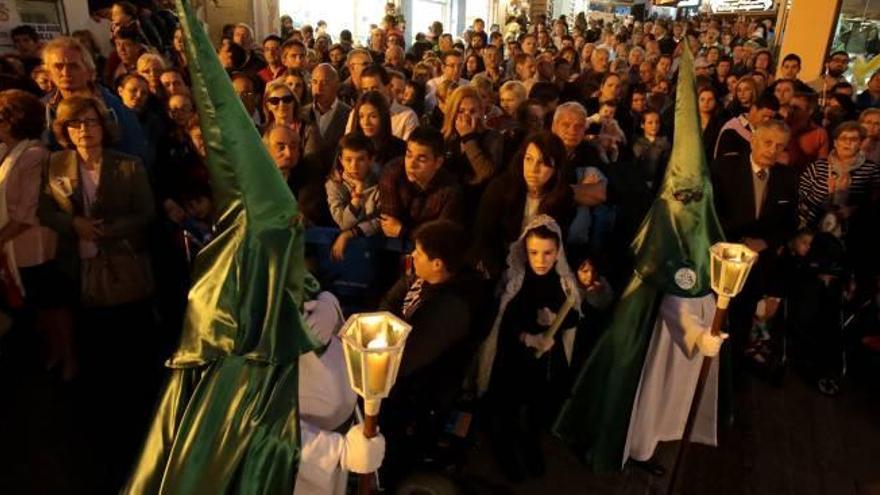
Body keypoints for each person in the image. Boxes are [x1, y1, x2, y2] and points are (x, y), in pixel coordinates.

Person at [378, 219, 488, 488]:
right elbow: (390, 301)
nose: (412, 256)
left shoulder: (450, 308)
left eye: (418, 252)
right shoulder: (423, 278)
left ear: (438, 263)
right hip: (401, 358)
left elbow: (407, 361)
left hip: (422, 389)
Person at [476, 216, 582, 481]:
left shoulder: (562, 281)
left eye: (548, 253)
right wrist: (527, 337)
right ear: (525, 250)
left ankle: (531, 443)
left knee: (537, 406)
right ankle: (506, 451)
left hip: (545, 361)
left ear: (557, 252)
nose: (541, 260)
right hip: (514, 358)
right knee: (508, 406)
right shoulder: (517, 281)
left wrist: (554, 321)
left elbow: (573, 314)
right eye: (534, 252)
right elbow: (505, 320)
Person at [0, 90, 75, 380]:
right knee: (41, 305)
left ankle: (69, 356)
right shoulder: (9, 151)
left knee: (54, 304)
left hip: (35, 245)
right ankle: (55, 352)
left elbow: (28, 211)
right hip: (15, 246)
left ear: (12, 122)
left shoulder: (33, 155)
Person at [711, 119, 798, 356]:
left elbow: (790, 222)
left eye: (780, 146)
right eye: (767, 142)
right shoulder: (724, 169)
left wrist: (766, 242)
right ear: (753, 140)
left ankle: (736, 367)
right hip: (722, 258)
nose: (772, 150)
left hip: (759, 263)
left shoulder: (786, 177)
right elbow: (710, 213)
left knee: (742, 320)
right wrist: (732, 245)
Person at [472, 131, 574, 280]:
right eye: (528, 159)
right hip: (498, 262)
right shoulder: (501, 188)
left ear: (556, 168)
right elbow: (483, 235)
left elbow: (556, 243)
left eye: (543, 162)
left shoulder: (563, 196)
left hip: (538, 265)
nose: (533, 169)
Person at [41, 37, 148, 166]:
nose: (65, 73)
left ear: (89, 71)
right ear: (48, 72)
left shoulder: (113, 108)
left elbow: (136, 155)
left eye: (73, 66)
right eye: (58, 66)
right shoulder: (43, 109)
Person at [378, 126, 464, 239]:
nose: (411, 165)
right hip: (392, 244)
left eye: (421, 159)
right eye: (409, 155)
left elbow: (440, 238)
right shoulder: (393, 172)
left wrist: (404, 231)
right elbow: (389, 225)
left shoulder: (449, 190)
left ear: (438, 163)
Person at [799, 121, 880, 230]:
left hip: (855, 230)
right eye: (843, 138)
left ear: (860, 143)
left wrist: (854, 209)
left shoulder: (871, 170)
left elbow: (874, 203)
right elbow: (801, 196)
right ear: (836, 143)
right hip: (813, 227)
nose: (848, 142)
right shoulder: (818, 166)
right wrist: (829, 195)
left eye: (854, 139)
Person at [325, 133, 381, 261]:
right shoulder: (334, 185)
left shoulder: (381, 181)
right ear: (340, 160)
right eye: (348, 159)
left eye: (360, 159)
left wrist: (349, 234)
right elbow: (344, 223)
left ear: (371, 160)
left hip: (374, 251)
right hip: (345, 254)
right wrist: (357, 196)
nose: (354, 166)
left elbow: (381, 221)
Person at [301, 64, 352, 179]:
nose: (318, 88)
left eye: (325, 83)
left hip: (337, 180)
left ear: (337, 85)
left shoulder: (349, 114)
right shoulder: (302, 113)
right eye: (314, 82)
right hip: (307, 179)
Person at [714, 93, 779, 159]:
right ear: (754, 109)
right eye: (764, 116)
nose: (767, 120)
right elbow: (727, 162)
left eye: (771, 117)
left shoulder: (769, 132)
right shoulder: (731, 129)